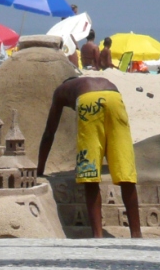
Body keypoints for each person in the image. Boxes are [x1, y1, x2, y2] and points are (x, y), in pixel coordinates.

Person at [37, 76, 141, 238]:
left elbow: (49, 132)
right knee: (125, 171)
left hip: (88, 101)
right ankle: (136, 234)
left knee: (90, 173)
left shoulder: (61, 91)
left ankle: (97, 236)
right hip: (115, 97)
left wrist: (40, 168)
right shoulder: (94, 81)